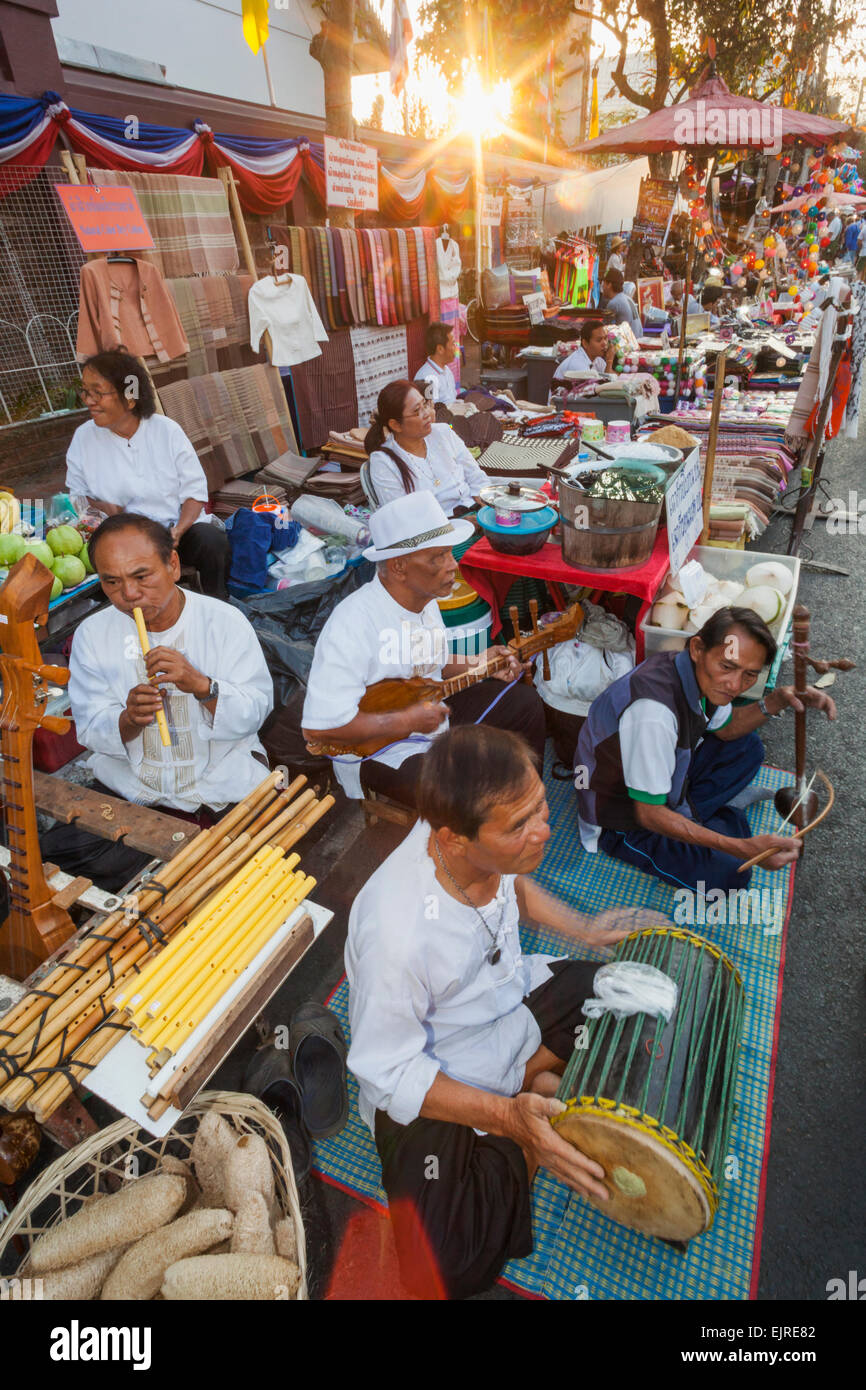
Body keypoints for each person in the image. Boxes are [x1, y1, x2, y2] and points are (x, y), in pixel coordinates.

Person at [346, 723, 668, 1299]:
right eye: (520, 826)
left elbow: (509, 880)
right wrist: (507, 1120)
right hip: (436, 1076)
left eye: (542, 808)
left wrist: (583, 928)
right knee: (442, 1269)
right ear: (453, 839)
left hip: (512, 1004)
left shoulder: (465, 831)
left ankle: (531, 1085)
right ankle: (527, 1114)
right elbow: (388, 1069)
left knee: (644, 1001)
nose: (545, 831)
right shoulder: (395, 935)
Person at [40, 512, 273, 891]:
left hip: (219, 784)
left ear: (173, 565)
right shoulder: (91, 635)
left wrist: (202, 685)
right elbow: (89, 728)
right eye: (112, 582)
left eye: (141, 576)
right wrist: (129, 719)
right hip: (132, 788)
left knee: (232, 889)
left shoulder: (224, 621)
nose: (128, 594)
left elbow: (256, 711)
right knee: (50, 865)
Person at [301, 493, 546, 806]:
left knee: (523, 703)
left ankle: (525, 809)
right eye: (439, 557)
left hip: (432, 722)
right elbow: (318, 731)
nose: (453, 566)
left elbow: (430, 665)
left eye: (449, 554)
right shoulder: (352, 625)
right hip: (378, 751)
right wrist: (406, 722)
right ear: (400, 566)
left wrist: (479, 662)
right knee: (458, 789)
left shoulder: (425, 600)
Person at [575, 607, 837, 894]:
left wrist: (777, 700)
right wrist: (740, 848)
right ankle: (716, 822)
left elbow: (727, 728)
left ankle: (701, 820)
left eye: (749, 675)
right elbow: (648, 815)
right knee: (731, 876)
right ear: (698, 648)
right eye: (727, 666)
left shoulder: (695, 673)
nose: (735, 685)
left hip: (665, 781)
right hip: (623, 818)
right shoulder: (653, 713)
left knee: (747, 748)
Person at [66, 349, 230, 600]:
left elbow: (194, 492)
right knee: (95, 573)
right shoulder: (83, 438)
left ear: (129, 397)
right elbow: (77, 497)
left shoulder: (166, 431)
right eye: (86, 391)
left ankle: (217, 605)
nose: (88, 400)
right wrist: (103, 508)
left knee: (212, 542)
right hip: (120, 544)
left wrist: (178, 531)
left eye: (98, 392)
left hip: (172, 534)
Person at [365, 379, 487, 516]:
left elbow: (476, 476)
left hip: (474, 512)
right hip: (436, 532)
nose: (427, 414)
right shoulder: (384, 462)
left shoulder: (443, 432)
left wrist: (485, 507)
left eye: (425, 404)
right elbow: (403, 517)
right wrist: (456, 525)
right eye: (417, 411)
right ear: (395, 425)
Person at [413, 322, 459, 405]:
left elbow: (452, 400)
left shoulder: (446, 370)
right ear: (440, 349)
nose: (456, 348)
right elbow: (429, 414)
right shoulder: (427, 378)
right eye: (453, 344)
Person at [600, 268, 643, 335]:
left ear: (609, 285)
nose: (602, 286)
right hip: (637, 339)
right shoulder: (627, 298)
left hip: (629, 343)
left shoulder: (614, 303)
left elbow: (604, 329)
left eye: (604, 283)